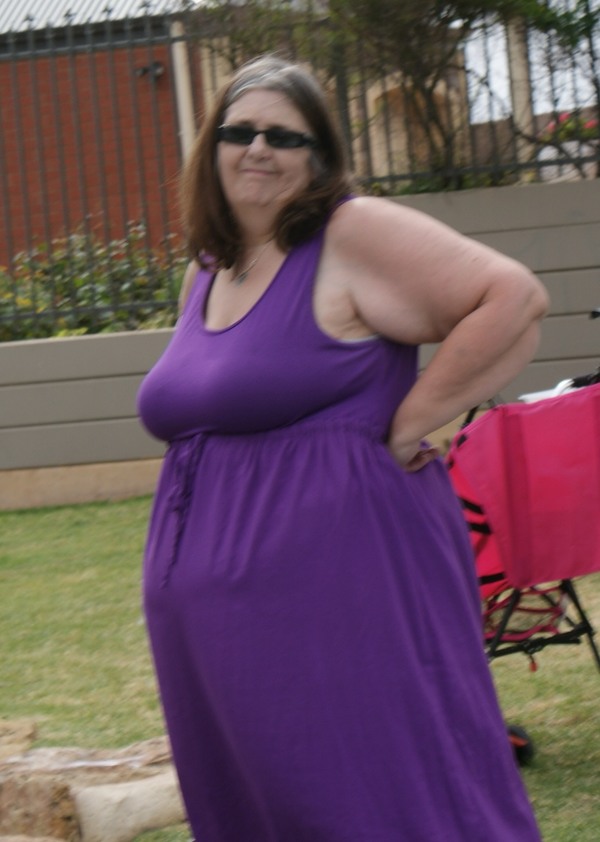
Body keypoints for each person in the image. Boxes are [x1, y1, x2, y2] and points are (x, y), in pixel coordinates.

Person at [137, 54, 549, 841]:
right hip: (215, 626)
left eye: (285, 136)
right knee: (267, 800)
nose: (259, 149)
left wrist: (411, 421)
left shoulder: (350, 233)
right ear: (211, 147)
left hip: (342, 586)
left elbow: (512, 297)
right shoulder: (209, 270)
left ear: (319, 156)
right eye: (240, 131)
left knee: (370, 786)